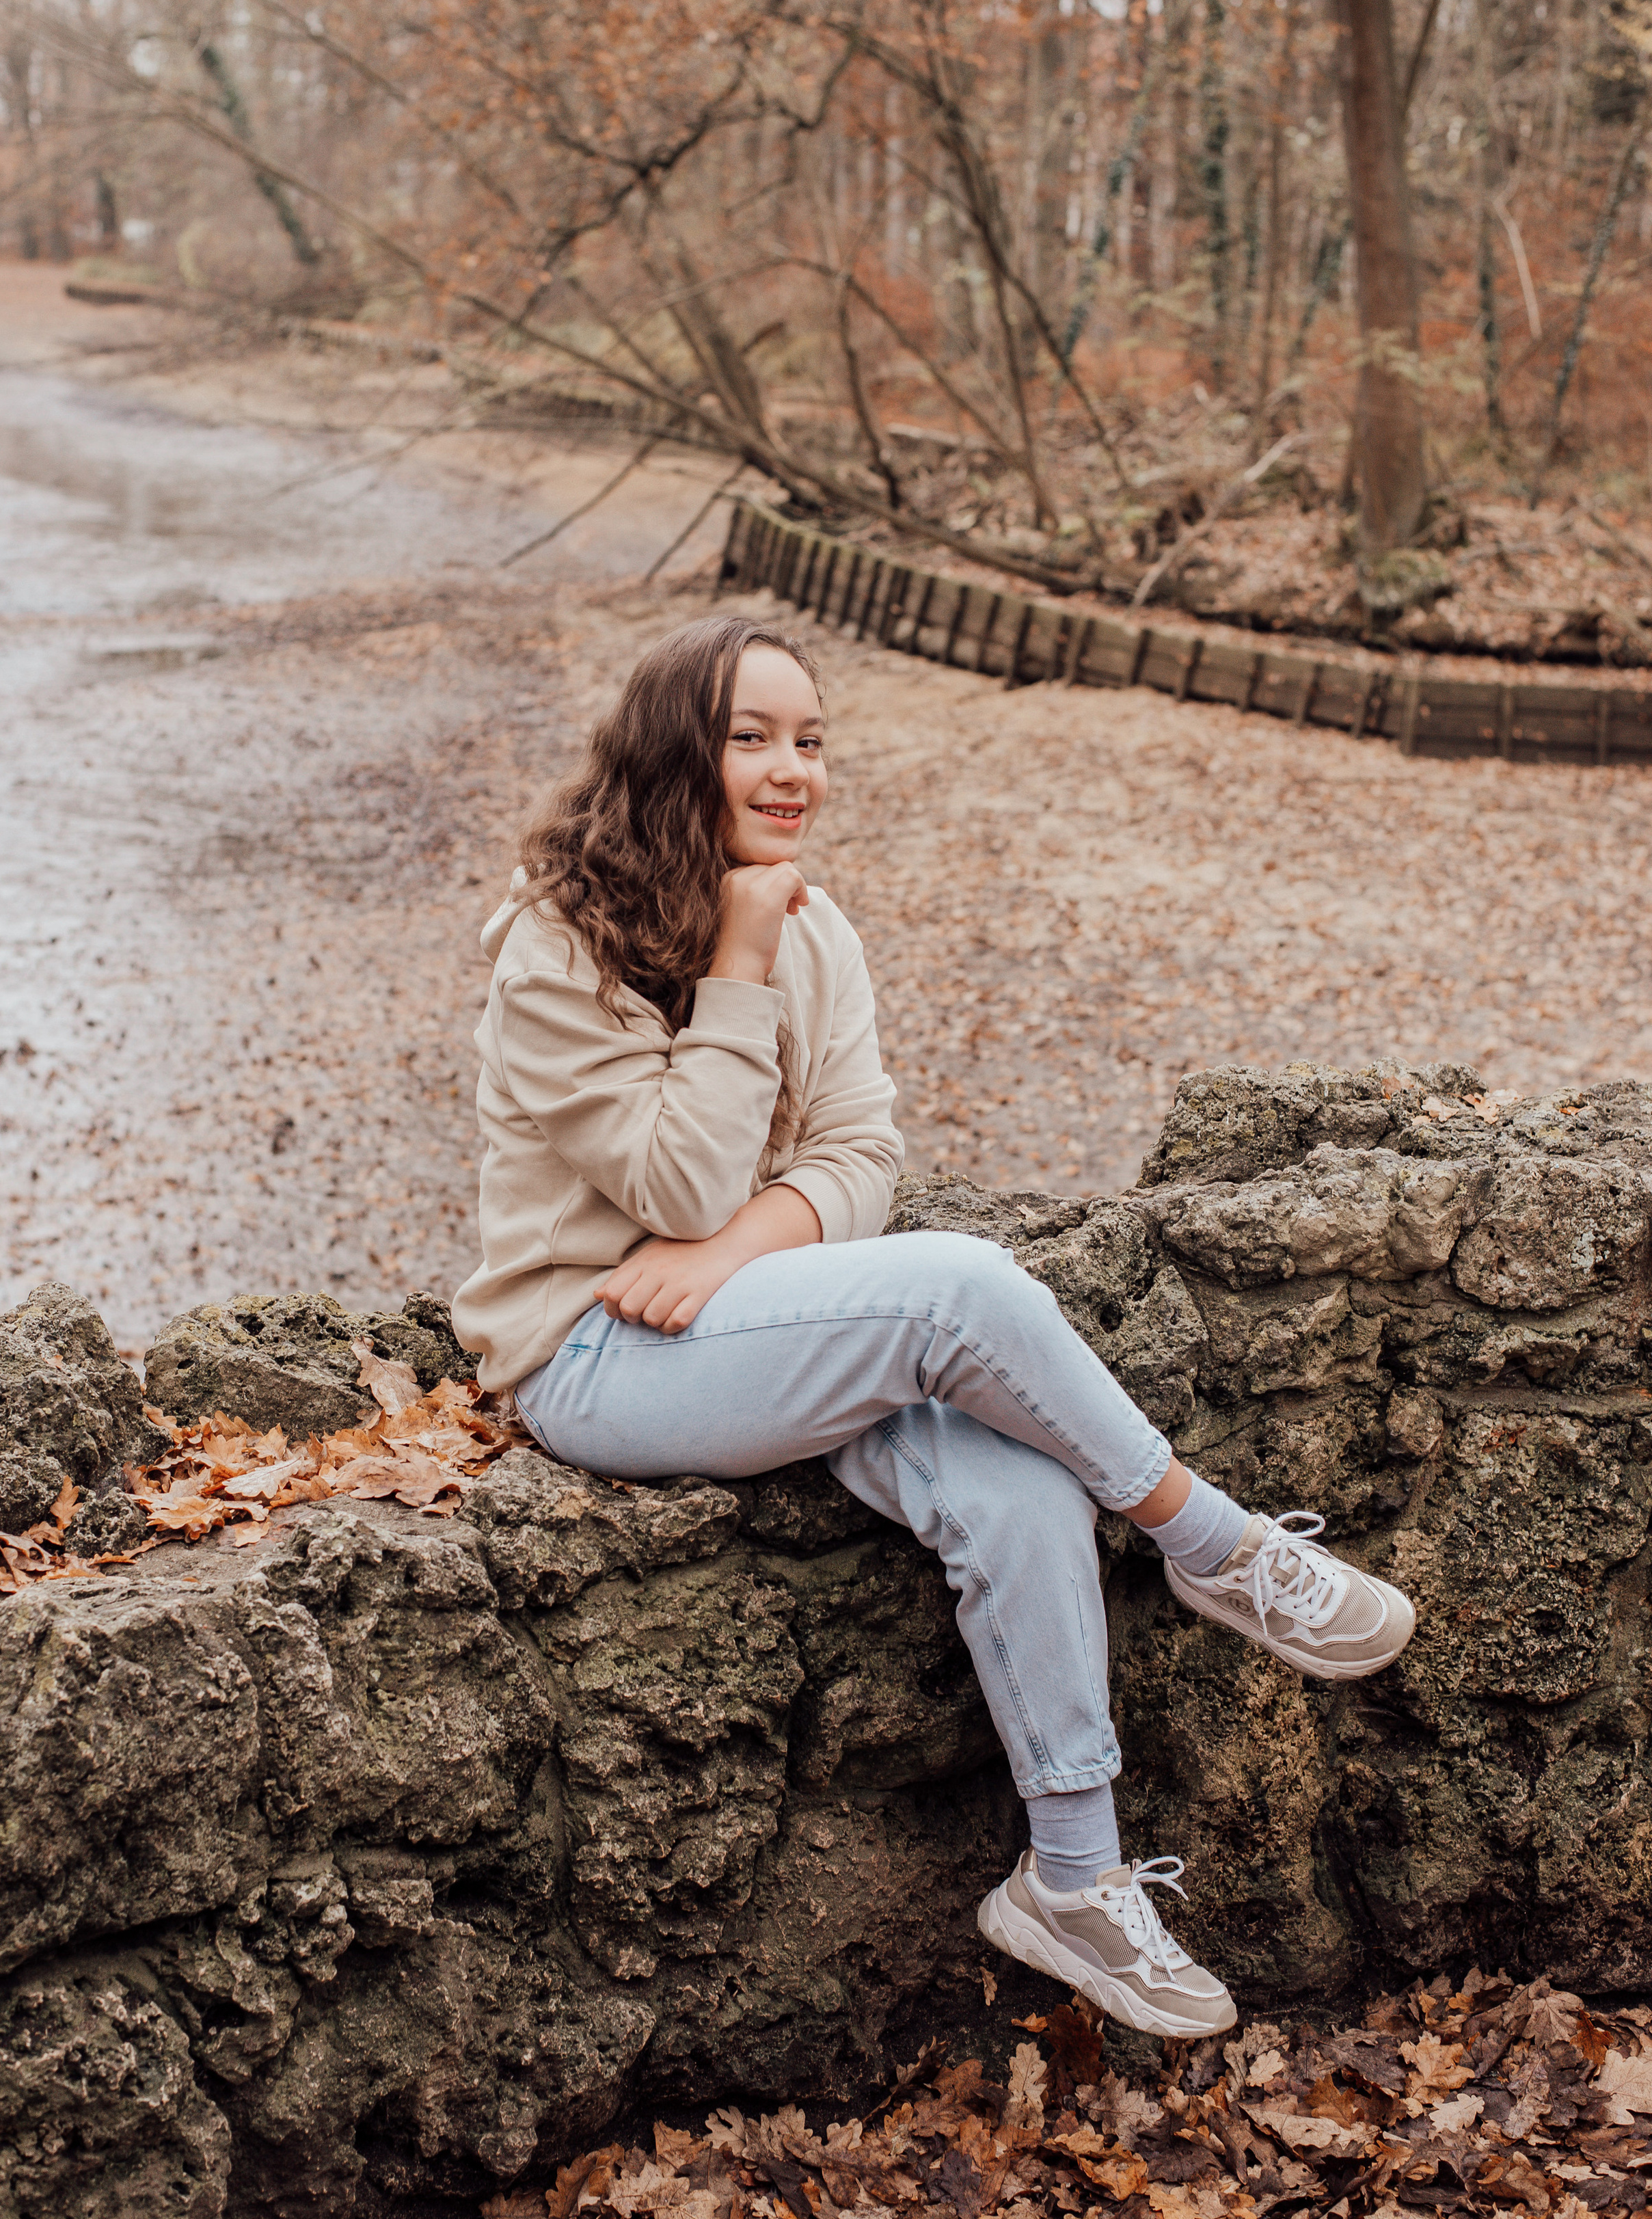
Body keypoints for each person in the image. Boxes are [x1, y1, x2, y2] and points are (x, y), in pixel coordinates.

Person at [452, 615, 1415, 2039]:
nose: (794, 770)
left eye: (811, 739)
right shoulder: (556, 947)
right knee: (957, 1286)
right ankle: (1209, 1542)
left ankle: (1072, 1881)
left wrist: (738, 1248)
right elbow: (670, 1178)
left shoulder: (811, 928)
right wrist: (729, 967)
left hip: (741, 1320)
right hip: (592, 1357)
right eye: (752, 737)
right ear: (673, 753)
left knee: (1015, 1477)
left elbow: (857, 1156)